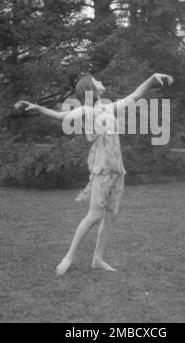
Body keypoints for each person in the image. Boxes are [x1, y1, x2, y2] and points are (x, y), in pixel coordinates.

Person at [14, 72, 173, 274]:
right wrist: (37, 108)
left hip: (117, 170)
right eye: (96, 80)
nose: (100, 81)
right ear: (91, 87)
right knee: (94, 215)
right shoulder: (86, 110)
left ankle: (97, 259)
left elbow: (134, 96)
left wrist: (151, 79)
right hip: (102, 169)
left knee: (111, 214)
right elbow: (61, 116)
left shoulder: (108, 108)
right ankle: (69, 257)